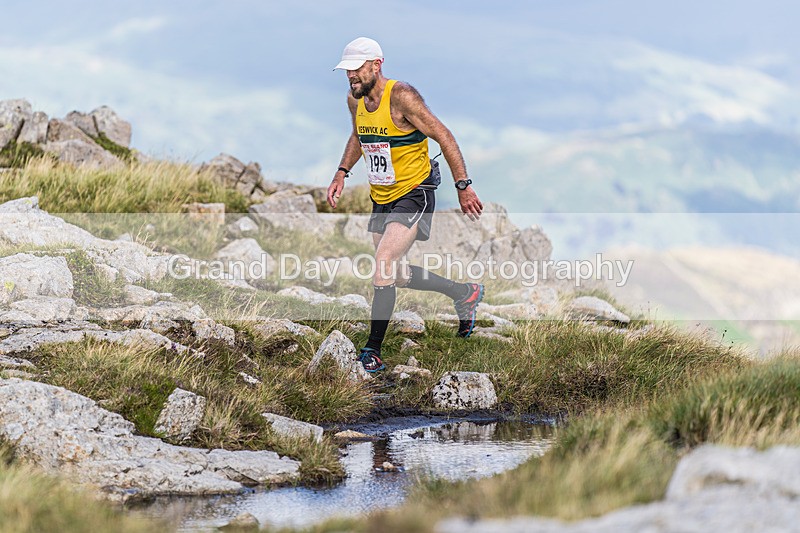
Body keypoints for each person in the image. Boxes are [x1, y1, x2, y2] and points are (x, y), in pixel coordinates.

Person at [327, 37, 484, 373]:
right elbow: (359, 136)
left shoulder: (402, 97)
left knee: (383, 262)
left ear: (376, 65)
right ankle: (463, 292)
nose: (351, 76)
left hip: (415, 190)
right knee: (393, 273)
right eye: (347, 71)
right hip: (382, 196)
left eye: (357, 69)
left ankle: (373, 350)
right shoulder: (355, 100)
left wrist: (463, 186)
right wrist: (342, 172)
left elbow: (444, 135)